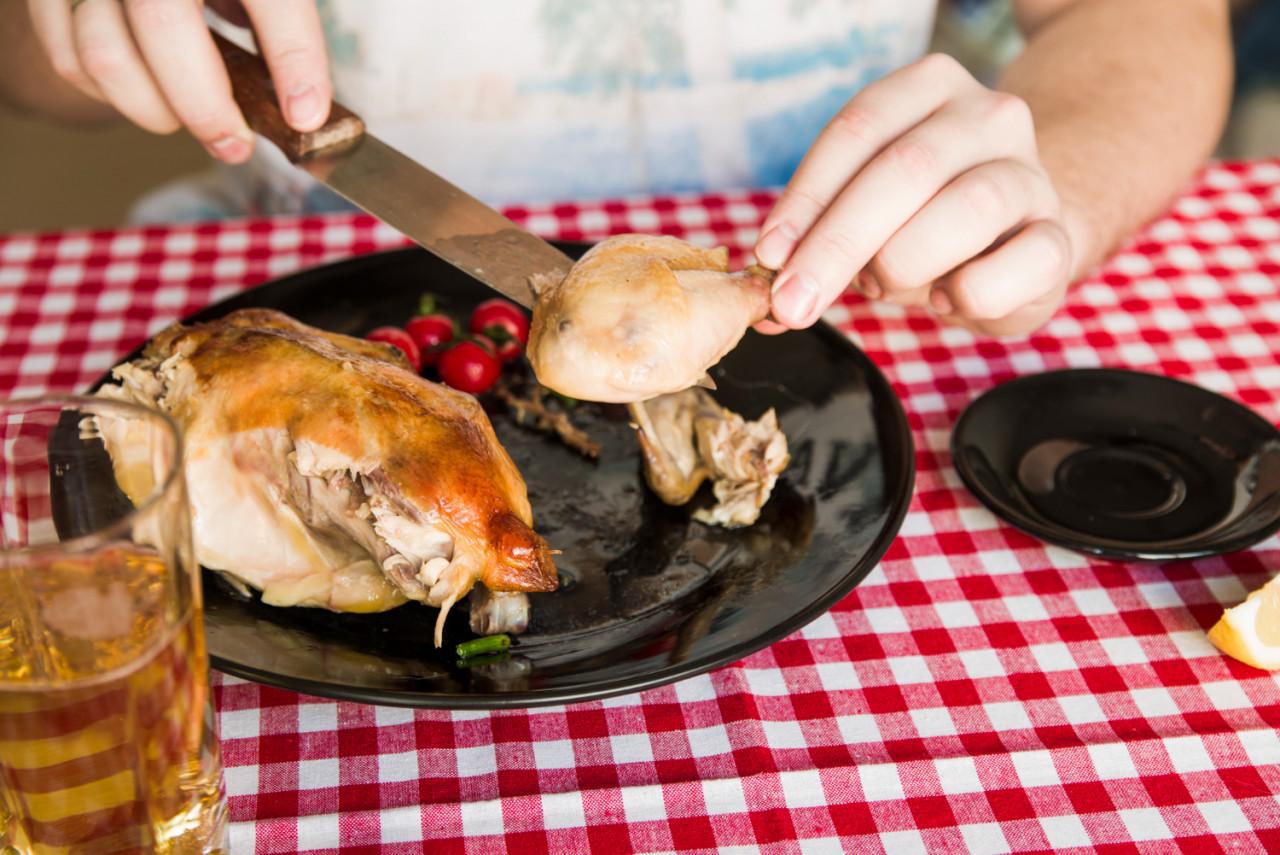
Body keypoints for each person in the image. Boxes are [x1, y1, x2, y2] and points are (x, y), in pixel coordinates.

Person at [1, 0, 1232, 337]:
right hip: (297, 267)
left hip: (837, 299)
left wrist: (1051, 193)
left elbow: (1148, 17)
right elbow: (31, 70)